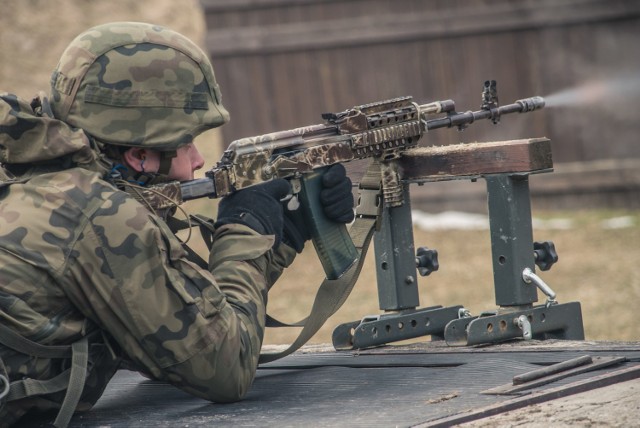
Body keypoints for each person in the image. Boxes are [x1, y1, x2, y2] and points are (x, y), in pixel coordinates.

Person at [0, 22, 354, 427]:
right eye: (186, 141)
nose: (199, 160)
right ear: (138, 156)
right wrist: (246, 228)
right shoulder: (100, 215)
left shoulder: (31, 172)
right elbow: (224, 367)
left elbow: (177, 325)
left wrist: (280, 237)